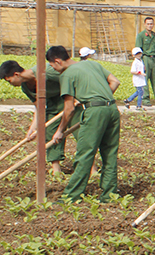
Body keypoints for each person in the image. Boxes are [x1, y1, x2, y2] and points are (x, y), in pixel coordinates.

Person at [46, 45, 121, 203]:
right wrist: (100, 98)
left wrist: (60, 131)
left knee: (85, 154)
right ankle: (109, 195)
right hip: (112, 109)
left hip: (94, 113)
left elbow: (69, 109)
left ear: (57, 61)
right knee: (110, 153)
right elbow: (115, 82)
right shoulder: (92, 64)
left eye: (52, 65)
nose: (53, 69)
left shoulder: (67, 74)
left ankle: (71, 196)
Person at [0, 59, 82, 176]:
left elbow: (73, 74)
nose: (11, 84)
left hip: (69, 100)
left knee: (81, 133)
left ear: (16, 74)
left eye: (9, 81)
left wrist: (78, 95)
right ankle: (56, 170)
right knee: (50, 133)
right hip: (53, 105)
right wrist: (33, 129)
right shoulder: (25, 87)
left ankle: (91, 169)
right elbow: (39, 108)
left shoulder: (45, 72)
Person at [135, 17, 155, 106]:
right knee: (144, 79)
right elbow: (138, 49)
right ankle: (146, 99)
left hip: (154, 59)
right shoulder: (141, 35)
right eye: (148, 24)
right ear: (144, 24)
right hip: (145, 58)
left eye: (151, 24)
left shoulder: (154, 35)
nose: (150, 25)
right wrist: (140, 62)